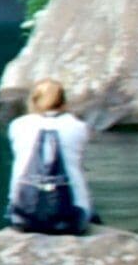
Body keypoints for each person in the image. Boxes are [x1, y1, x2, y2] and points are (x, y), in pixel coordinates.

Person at [7, 78, 96, 234]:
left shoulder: (17, 125)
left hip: (25, 217)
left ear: (33, 102)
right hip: (70, 219)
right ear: (64, 102)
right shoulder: (79, 127)